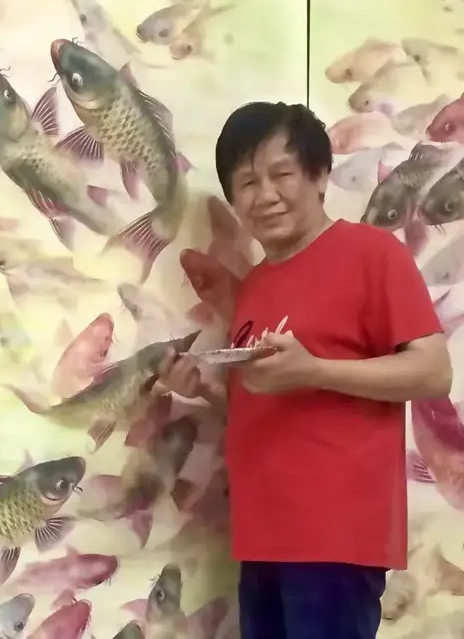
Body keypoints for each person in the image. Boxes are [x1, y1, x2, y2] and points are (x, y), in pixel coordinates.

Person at [157, 102, 453, 639]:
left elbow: (433, 372)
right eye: (247, 182)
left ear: (319, 177)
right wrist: (205, 389)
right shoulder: (256, 285)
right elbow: (269, 400)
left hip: (334, 536)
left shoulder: (372, 253)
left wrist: (314, 369)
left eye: (282, 174)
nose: (265, 194)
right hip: (261, 535)